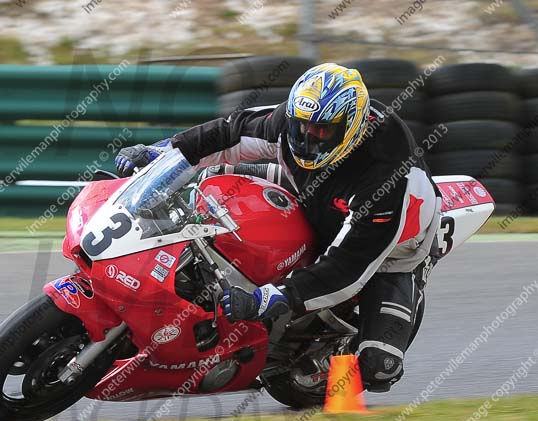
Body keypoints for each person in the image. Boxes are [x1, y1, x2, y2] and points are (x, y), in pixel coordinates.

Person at [114, 63, 443, 392]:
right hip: (310, 194)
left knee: (378, 367)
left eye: (321, 132)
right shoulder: (288, 122)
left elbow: (348, 267)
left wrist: (270, 298)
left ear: (351, 128)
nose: (307, 139)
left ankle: (333, 352)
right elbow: (227, 133)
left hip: (393, 252)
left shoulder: (386, 173)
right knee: (216, 177)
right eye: (301, 127)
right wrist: (161, 152)